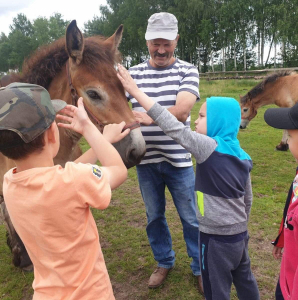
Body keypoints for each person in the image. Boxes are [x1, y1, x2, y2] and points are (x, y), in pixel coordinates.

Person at [117, 63, 260, 300]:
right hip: (239, 235)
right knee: (245, 278)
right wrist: (239, 228)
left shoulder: (207, 147)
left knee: (216, 287)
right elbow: (248, 200)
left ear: (217, 122)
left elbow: (174, 127)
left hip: (214, 239)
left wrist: (135, 90)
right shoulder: (244, 156)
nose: (194, 121)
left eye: (202, 116)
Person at [0, 82, 130, 300]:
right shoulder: (73, 182)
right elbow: (117, 170)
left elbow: (68, 173)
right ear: (52, 133)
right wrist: (89, 128)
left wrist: (103, 141)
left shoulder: (10, 183)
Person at [126, 12, 202, 292]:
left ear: (176, 40)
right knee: (154, 216)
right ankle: (164, 261)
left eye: (166, 43)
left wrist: (147, 116)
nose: (160, 50)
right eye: (155, 43)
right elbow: (117, 111)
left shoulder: (187, 70)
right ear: (146, 41)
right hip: (145, 161)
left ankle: (199, 266)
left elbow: (182, 111)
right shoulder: (132, 73)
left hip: (179, 161)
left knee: (191, 217)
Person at [264, 103, 298, 300]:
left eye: (290, 136)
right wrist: (282, 236)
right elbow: (290, 201)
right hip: (288, 273)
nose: (286, 139)